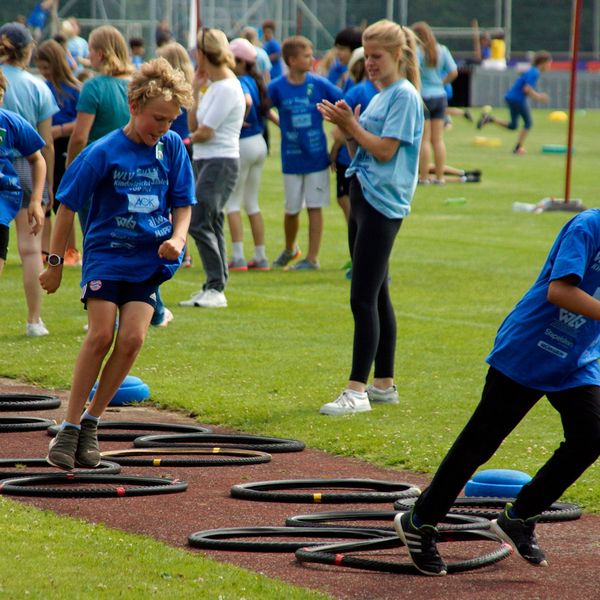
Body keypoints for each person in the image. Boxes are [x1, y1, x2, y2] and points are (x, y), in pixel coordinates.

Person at [394, 208, 600, 576]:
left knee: (591, 435)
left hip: (577, 361)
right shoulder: (588, 226)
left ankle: (519, 517)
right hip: (530, 347)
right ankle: (420, 521)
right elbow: (559, 290)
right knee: (480, 443)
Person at [40, 57, 195, 471]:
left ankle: (91, 424)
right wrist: (54, 263)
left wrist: (177, 239)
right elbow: (67, 206)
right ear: (134, 106)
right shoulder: (102, 152)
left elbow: (183, 204)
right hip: (106, 257)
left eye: (170, 120)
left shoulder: (172, 147)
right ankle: (69, 426)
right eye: (157, 118)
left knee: (132, 340)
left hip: (148, 262)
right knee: (100, 335)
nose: (162, 128)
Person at [317, 20, 423, 415]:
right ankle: (384, 384)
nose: (370, 63)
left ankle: (356, 391)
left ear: (398, 55)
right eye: (367, 55)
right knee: (378, 294)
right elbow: (362, 147)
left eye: (377, 56)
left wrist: (352, 127)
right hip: (364, 196)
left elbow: (384, 150)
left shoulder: (405, 97)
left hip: (381, 203)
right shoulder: (382, 95)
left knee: (361, 297)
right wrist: (346, 128)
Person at [178, 27, 245, 309]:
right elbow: (194, 124)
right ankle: (213, 284)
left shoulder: (228, 87)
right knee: (211, 222)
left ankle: (216, 287)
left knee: (199, 220)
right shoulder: (213, 87)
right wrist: (194, 87)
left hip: (221, 160)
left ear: (204, 54)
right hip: (206, 159)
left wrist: (186, 140)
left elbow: (204, 132)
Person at [0, 22, 58, 337]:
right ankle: (34, 320)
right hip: (24, 165)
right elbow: (44, 143)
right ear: (28, 50)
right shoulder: (36, 86)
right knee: (30, 248)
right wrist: (44, 192)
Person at [268, 35, 343, 271]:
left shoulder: (319, 84)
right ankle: (291, 248)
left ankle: (312, 258)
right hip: (291, 158)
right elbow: (262, 108)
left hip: (317, 158)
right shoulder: (277, 86)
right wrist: (280, 122)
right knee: (291, 209)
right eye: (307, 56)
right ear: (292, 60)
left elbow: (344, 104)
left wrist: (337, 136)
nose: (312, 60)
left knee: (314, 206)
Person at [35, 39, 82, 267]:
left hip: (65, 147)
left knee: (63, 200)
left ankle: (71, 250)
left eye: (47, 67)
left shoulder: (74, 90)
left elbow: (81, 122)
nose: (44, 72)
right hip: (45, 147)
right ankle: (45, 250)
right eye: (41, 68)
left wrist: (59, 130)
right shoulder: (41, 88)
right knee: (44, 196)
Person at [225, 38, 271, 272]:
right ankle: (261, 256)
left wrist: (239, 119)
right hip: (259, 143)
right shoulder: (256, 80)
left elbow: (247, 101)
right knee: (252, 202)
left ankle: (238, 256)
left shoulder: (239, 81)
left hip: (243, 144)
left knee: (232, 202)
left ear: (239, 61)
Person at [0, 69, 47, 277]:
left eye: (0, 96)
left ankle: (35, 312)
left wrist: (36, 201)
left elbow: (37, 159)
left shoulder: (9, 122)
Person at [155, 41, 195, 269]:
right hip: (187, 142)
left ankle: (179, 247)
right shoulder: (190, 86)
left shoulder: (168, 91)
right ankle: (184, 250)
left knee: (170, 198)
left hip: (169, 145)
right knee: (179, 199)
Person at [477, 51, 552, 155]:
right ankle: (518, 148)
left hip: (511, 97)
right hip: (517, 99)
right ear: (543, 62)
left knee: (513, 126)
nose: (549, 66)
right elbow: (526, 89)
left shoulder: (532, 71)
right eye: (549, 63)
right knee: (528, 123)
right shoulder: (535, 72)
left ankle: (490, 119)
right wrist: (539, 97)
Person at [411, 21, 457, 185]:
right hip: (440, 96)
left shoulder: (416, 52)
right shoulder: (442, 50)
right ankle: (440, 177)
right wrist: (441, 82)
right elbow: (453, 72)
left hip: (423, 97)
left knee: (424, 140)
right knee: (438, 140)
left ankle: (423, 177)